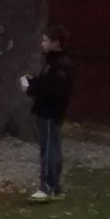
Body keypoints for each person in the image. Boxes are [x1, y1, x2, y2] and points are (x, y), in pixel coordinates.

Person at [21, 24, 74, 203]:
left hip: (50, 111)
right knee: (51, 147)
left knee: (49, 149)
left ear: (56, 42)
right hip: (47, 110)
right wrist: (33, 82)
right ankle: (55, 187)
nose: (42, 43)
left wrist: (30, 88)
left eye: (45, 40)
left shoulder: (60, 64)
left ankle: (47, 187)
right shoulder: (52, 62)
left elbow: (52, 89)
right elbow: (46, 83)